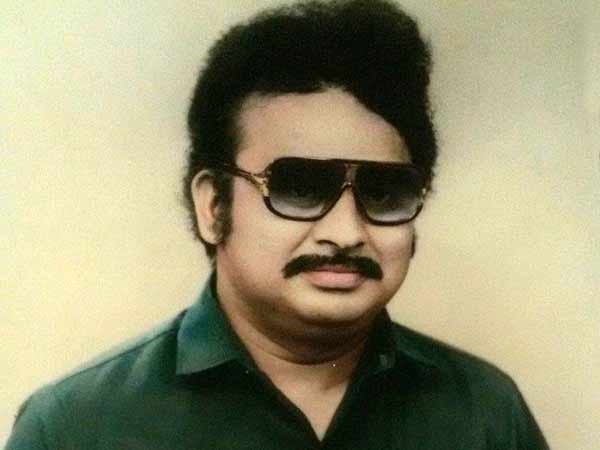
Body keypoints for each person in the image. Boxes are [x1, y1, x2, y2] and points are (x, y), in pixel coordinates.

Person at [5, 0, 550, 449]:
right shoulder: (75, 429)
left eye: (384, 192)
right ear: (213, 206)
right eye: (299, 187)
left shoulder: (485, 414)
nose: (346, 232)